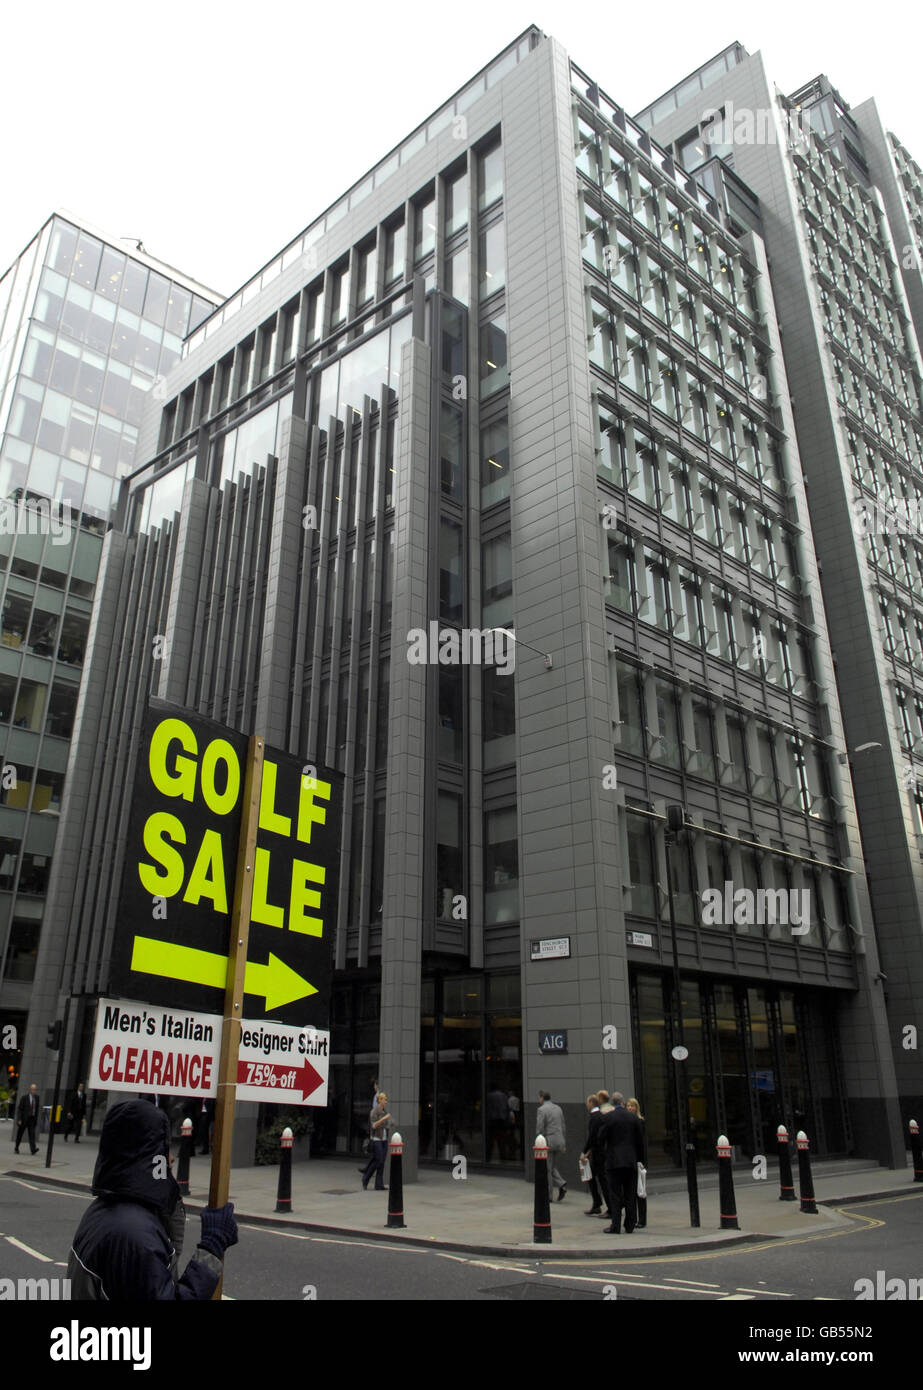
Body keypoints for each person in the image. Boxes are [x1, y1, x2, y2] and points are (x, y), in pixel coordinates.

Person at [67, 1099, 238, 1299]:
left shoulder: (107, 1209)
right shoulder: (135, 1235)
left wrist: (170, 1203)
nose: (171, 1158)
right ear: (146, 1155)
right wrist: (213, 1245)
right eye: (162, 1148)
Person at [597, 1090, 645, 1234]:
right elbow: (640, 1141)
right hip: (630, 1161)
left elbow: (600, 1138)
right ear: (623, 1103)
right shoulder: (633, 1117)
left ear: (613, 1103)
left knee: (615, 1194)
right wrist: (640, 1160)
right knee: (630, 1194)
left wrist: (605, 1153)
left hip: (614, 1162)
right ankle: (629, 1225)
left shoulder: (609, 1117)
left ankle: (615, 1225)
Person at [535, 1090, 567, 1201]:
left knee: (547, 1169)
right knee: (552, 1166)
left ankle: (548, 1195)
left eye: (539, 1098)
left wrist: (539, 1140)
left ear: (542, 1098)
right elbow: (563, 1126)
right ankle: (561, 1184)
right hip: (559, 1141)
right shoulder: (558, 1108)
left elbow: (540, 1128)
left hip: (548, 1141)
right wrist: (564, 1143)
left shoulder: (541, 1110)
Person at [360, 1090, 391, 1190]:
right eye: (385, 1099)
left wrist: (390, 1124)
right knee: (379, 1160)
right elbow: (373, 1125)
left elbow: (386, 1125)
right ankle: (365, 1178)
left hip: (384, 1139)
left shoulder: (384, 1112)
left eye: (386, 1100)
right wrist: (383, 1119)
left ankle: (379, 1184)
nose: (386, 1101)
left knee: (381, 1162)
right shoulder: (374, 1112)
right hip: (376, 1139)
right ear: (380, 1100)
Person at [579, 1094, 604, 1215]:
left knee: (601, 1180)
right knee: (593, 1177)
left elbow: (592, 1137)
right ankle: (597, 1203)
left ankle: (605, 1205)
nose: (586, 1105)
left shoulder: (595, 1117)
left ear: (591, 1103)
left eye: (587, 1103)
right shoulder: (600, 1116)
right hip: (597, 1152)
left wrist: (584, 1152)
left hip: (599, 1155)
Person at [626, 1097, 648, 1228]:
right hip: (631, 1159)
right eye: (628, 1106)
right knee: (632, 1190)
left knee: (640, 1190)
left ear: (636, 1108)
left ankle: (642, 1219)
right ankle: (633, 1218)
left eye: (632, 1106)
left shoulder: (639, 1122)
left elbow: (640, 1144)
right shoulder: (629, 1121)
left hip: (638, 1161)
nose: (630, 1108)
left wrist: (640, 1161)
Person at [486, 1084, 509, 1161]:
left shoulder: (489, 1096)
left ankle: (488, 1157)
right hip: (501, 1119)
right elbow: (506, 1107)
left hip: (492, 1119)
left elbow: (488, 1107)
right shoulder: (504, 1095)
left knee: (490, 1140)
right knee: (501, 1140)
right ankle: (503, 1157)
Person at [14, 1083, 40, 1154]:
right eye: (33, 1089)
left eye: (35, 1089)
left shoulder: (37, 1098)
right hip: (24, 1119)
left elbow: (36, 1109)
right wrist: (19, 1119)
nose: (34, 1091)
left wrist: (35, 1120)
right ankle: (16, 1147)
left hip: (32, 1119)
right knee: (20, 1134)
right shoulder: (24, 1098)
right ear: (30, 1090)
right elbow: (20, 1109)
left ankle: (33, 1149)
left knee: (32, 1134)